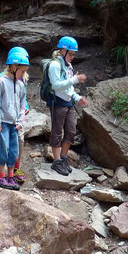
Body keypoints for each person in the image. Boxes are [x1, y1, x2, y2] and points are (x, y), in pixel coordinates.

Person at [46, 36, 88, 176]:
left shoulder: (69, 66)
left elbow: (68, 88)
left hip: (68, 102)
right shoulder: (54, 65)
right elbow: (56, 85)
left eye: (74, 54)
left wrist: (77, 97)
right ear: (63, 50)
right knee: (57, 131)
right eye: (71, 54)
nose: (72, 57)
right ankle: (56, 161)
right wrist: (75, 79)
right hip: (57, 102)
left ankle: (63, 158)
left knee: (70, 131)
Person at [0, 47, 29, 189]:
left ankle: (10, 176)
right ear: (13, 67)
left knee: (14, 150)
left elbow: (22, 104)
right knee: (3, 148)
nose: (24, 74)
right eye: (22, 71)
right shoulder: (1, 82)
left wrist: (20, 120)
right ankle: (1, 176)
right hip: (3, 123)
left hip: (14, 124)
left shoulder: (20, 84)